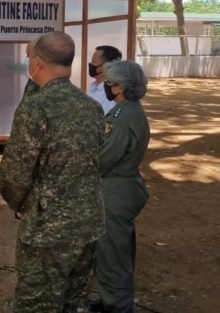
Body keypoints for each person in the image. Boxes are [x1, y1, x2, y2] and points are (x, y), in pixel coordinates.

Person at [0, 32, 105, 313]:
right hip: (87, 225)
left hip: (47, 229)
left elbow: (13, 175)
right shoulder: (91, 107)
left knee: (36, 304)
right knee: (73, 301)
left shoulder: (36, 109)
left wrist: (22, 205)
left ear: (38, 63)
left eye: (31, 59)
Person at [94, 61, 150, 313]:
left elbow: (104, 157)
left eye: (109, 82)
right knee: (114, 250)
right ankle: (112, 300)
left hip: (115, 190)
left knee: (113, 253)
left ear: (119, 87)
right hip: (120, 187)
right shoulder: (127, 111)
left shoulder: (123, 116)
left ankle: (117, 306)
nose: (106, 86)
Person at [88, 46, 123, 114]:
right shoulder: (93, 86)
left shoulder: (110, 93)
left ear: (106, 66)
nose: (90, 64)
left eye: (93, 61)